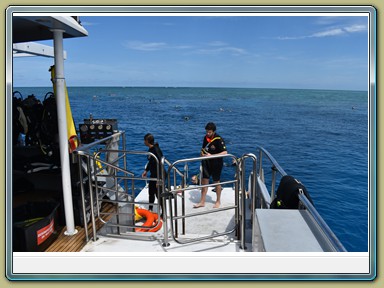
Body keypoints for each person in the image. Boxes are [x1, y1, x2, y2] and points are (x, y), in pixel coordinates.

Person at [194, 122, 227, 208]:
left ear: (213, 131)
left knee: (216, 181)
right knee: (204, 181)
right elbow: (203, 148)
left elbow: (225, 152)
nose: (208, 134)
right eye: (207, 132)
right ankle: (202, 201)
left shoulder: (218, 139)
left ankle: (218, 201)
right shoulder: (205, 138)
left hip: (216, 163)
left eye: (209, 132)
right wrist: (202, 154)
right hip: (206, 162)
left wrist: (212, 155)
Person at [141, 133, 165, 215]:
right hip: (153, 175)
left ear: (147, 141)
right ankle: (150, 209)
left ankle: (164, 212)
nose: (144, 142)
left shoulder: (156, 150)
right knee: (151, 192)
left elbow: (161, 164)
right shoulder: (151, 149)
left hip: (159, 175)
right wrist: (146, 170)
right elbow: (151, 161)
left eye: (144, 140)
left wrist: (159, 179)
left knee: (159, 194)